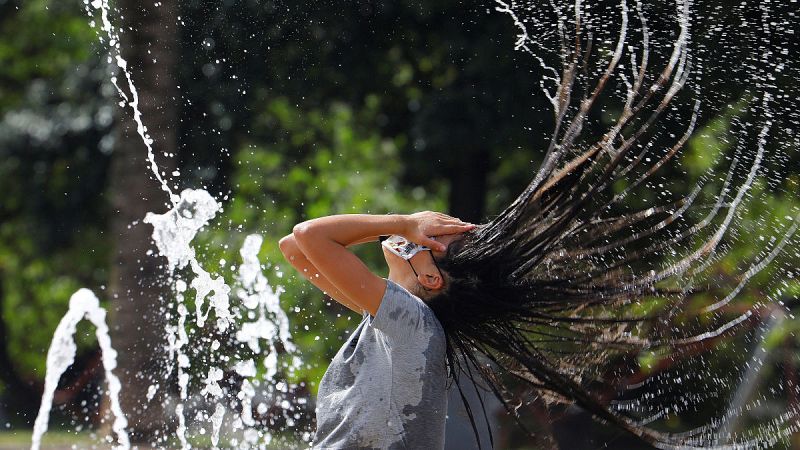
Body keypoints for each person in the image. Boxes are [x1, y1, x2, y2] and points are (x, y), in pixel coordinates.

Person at [279, 212, 476, 449]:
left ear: (431, 277)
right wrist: (395, 230)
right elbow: (293, 247)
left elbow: (309, 234)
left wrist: (403, 224)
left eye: (429, 238)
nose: (419, 234)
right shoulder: (395, 323)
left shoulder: (413, 321)